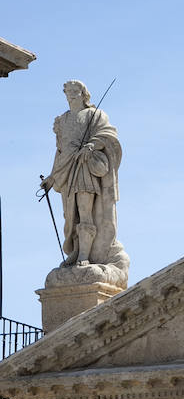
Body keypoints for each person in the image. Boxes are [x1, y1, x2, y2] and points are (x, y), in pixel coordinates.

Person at [42, 80, 125, 269]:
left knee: (86, 212)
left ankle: (85, 255)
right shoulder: (62, 120)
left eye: (75, 91)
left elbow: (108, 134)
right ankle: (76, 251)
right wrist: (52, 176)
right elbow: (60, 151)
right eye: (68, 91)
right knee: (71, 216)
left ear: (84, 94)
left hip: (84, 169)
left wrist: (91, 145)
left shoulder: (95, 115)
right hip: (66, 171)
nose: (71, 94)